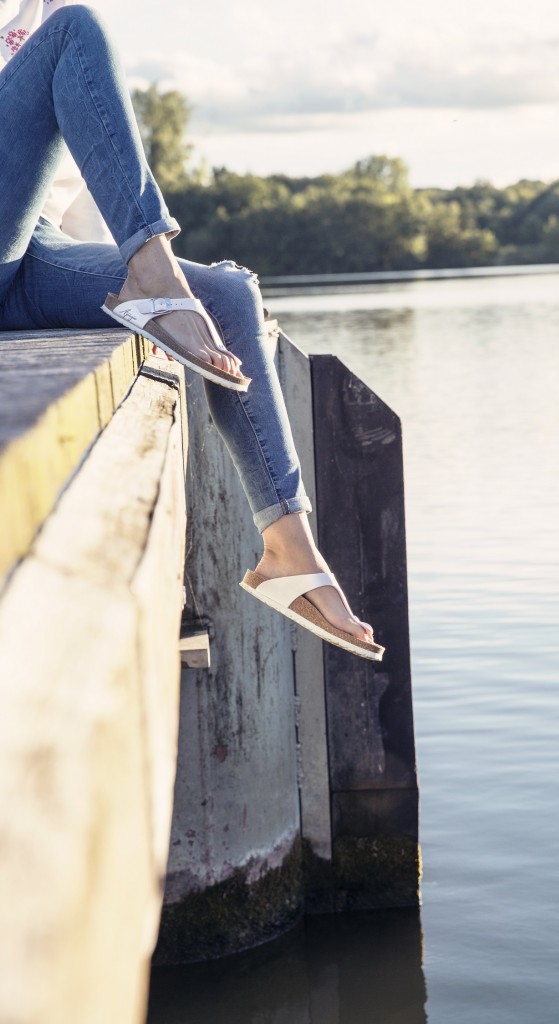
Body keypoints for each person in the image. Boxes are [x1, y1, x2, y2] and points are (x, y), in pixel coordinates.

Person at [0, 0, 383, 660]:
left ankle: (287, 550)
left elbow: (87, 179)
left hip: (32, 251)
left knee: (229, 296)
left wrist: (118, 278)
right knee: (76, 35)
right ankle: (154, 275)